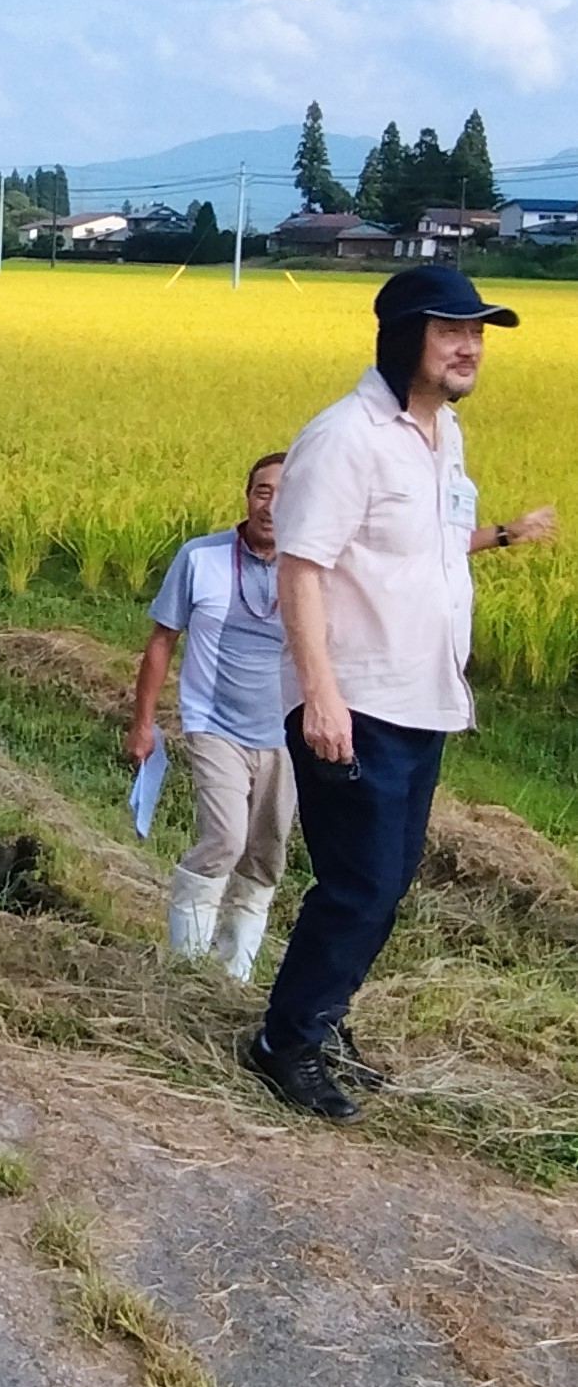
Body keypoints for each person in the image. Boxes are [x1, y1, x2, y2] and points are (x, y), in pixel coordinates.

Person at [245, 264, 555, 1122]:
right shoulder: (346, 437)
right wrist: (321, 696)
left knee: (387, 880)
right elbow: (301, 571)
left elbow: (435, 543)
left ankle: (321, 1016)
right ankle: (283, 1042)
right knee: (359, 884)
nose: (471, 347)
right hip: (359, 699)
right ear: (405, 336)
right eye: (452, 330)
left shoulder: (439, 433)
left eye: (479, 333)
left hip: (423, 697)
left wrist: (503, 534)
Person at [125, 453, 295, 981]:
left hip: (286, 735)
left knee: (266, 855)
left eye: (286, 495)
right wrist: (142, 723)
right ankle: (186, 969)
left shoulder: (311, 571)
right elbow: (161, 642)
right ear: (246, 496)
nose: (272, 505)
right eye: (263, 491)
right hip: (214, 723)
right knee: (224, 839)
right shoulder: (201, 557)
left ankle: (232, 976)